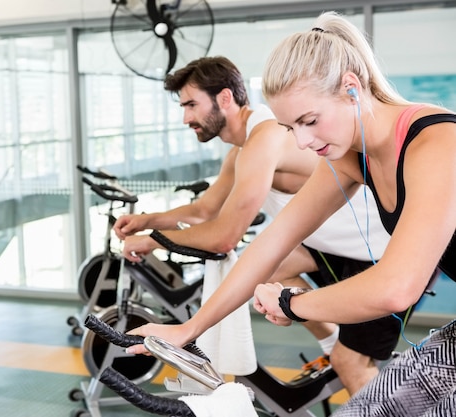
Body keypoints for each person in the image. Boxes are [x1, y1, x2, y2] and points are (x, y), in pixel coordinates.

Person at [127, 11, 456, 416]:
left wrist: (291, 303)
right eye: (291, 127)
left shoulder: (439, 143)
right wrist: (190, 328)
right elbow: (272, 242)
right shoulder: (353, 156)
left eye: (310, 121)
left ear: (351, 88)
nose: (302, 141)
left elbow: (396, 288)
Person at [114, 56, 394, 394]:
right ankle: (332, 341)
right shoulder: (242, 148)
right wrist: (147, 221)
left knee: (353, 364)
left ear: (225, 98)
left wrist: (155, 240)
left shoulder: (265, 137)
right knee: (266, 272)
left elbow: (224, 237)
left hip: (376, 254)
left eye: (191, 104)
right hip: (328, 247)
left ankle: (344, 357)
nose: (186, 117)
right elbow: (205, 209)